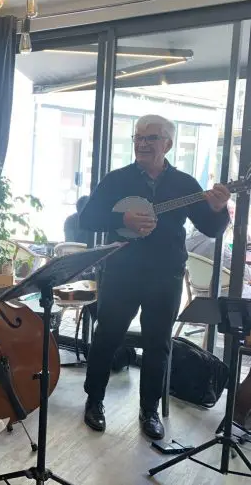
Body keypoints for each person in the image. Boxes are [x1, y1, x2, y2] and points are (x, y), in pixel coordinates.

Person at [79, 114, 230, 440]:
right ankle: (94, 400)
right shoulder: (116, 179)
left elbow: (211, 228)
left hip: (166, 275)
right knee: (107, 337)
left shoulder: (185, 184)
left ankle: (149, 410)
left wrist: (219, 209)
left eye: (151, 138)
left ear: (168, 144)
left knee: (158, 344)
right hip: (121, 271)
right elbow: (87, 218)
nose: (142, 143)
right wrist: (123, 219)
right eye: (138, 137)